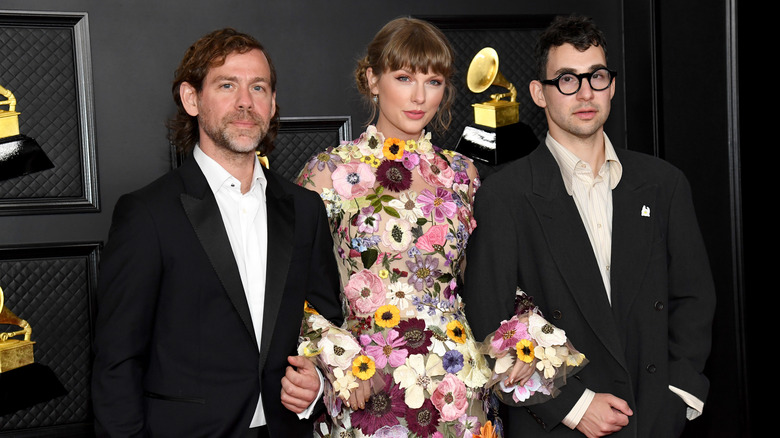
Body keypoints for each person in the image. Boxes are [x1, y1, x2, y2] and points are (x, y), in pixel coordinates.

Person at [294, 17, 583, 438]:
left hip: (460, 389)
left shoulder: (462, 174)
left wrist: (524, 333)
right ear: (372, 79)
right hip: (370, 389)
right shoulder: (328, 172)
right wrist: (339, 358)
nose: (418, 96)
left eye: (433, 81)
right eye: (404, 77)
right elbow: (290, 289)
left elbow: (489, 277)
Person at [463, 15, 716, 438]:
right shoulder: (504, 195)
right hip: (560, 425)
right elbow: (487, 323)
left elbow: (693, 298)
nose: (584, 93)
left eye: (596, 77)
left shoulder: (663, 184)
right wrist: (574, 406)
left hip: (652, 415)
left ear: (612, 86)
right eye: (566, 79)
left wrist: (677, 395)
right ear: (538, 94)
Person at [91, 28, 343, 437]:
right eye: (227, 85)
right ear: (192, 99)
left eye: (258, 87)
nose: (245, 102)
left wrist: (316, 380)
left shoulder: (304, 208)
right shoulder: (147, 214)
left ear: (273, 103)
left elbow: (326, 321)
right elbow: (117, 363)